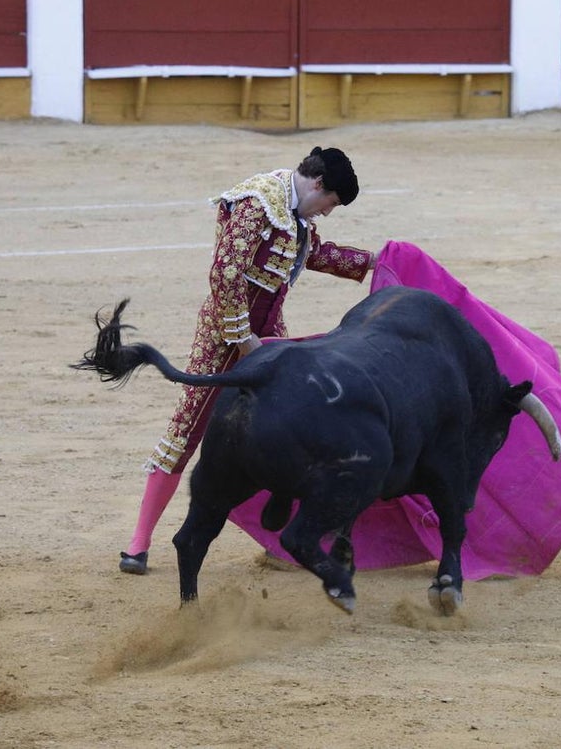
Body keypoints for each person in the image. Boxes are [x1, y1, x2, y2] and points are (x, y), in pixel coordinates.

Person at [119, 147, 376, 575]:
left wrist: (370, 263)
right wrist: (242, 340)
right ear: (316, 184)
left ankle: (280, 537)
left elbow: (309, 252)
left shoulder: (292, 209)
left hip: (269, 333)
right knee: (187, 429)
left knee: (284, 428)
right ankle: (138, 544)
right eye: (329, 204)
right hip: (224, 334)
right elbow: (225, 273)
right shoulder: (260, 202)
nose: (326, 214)